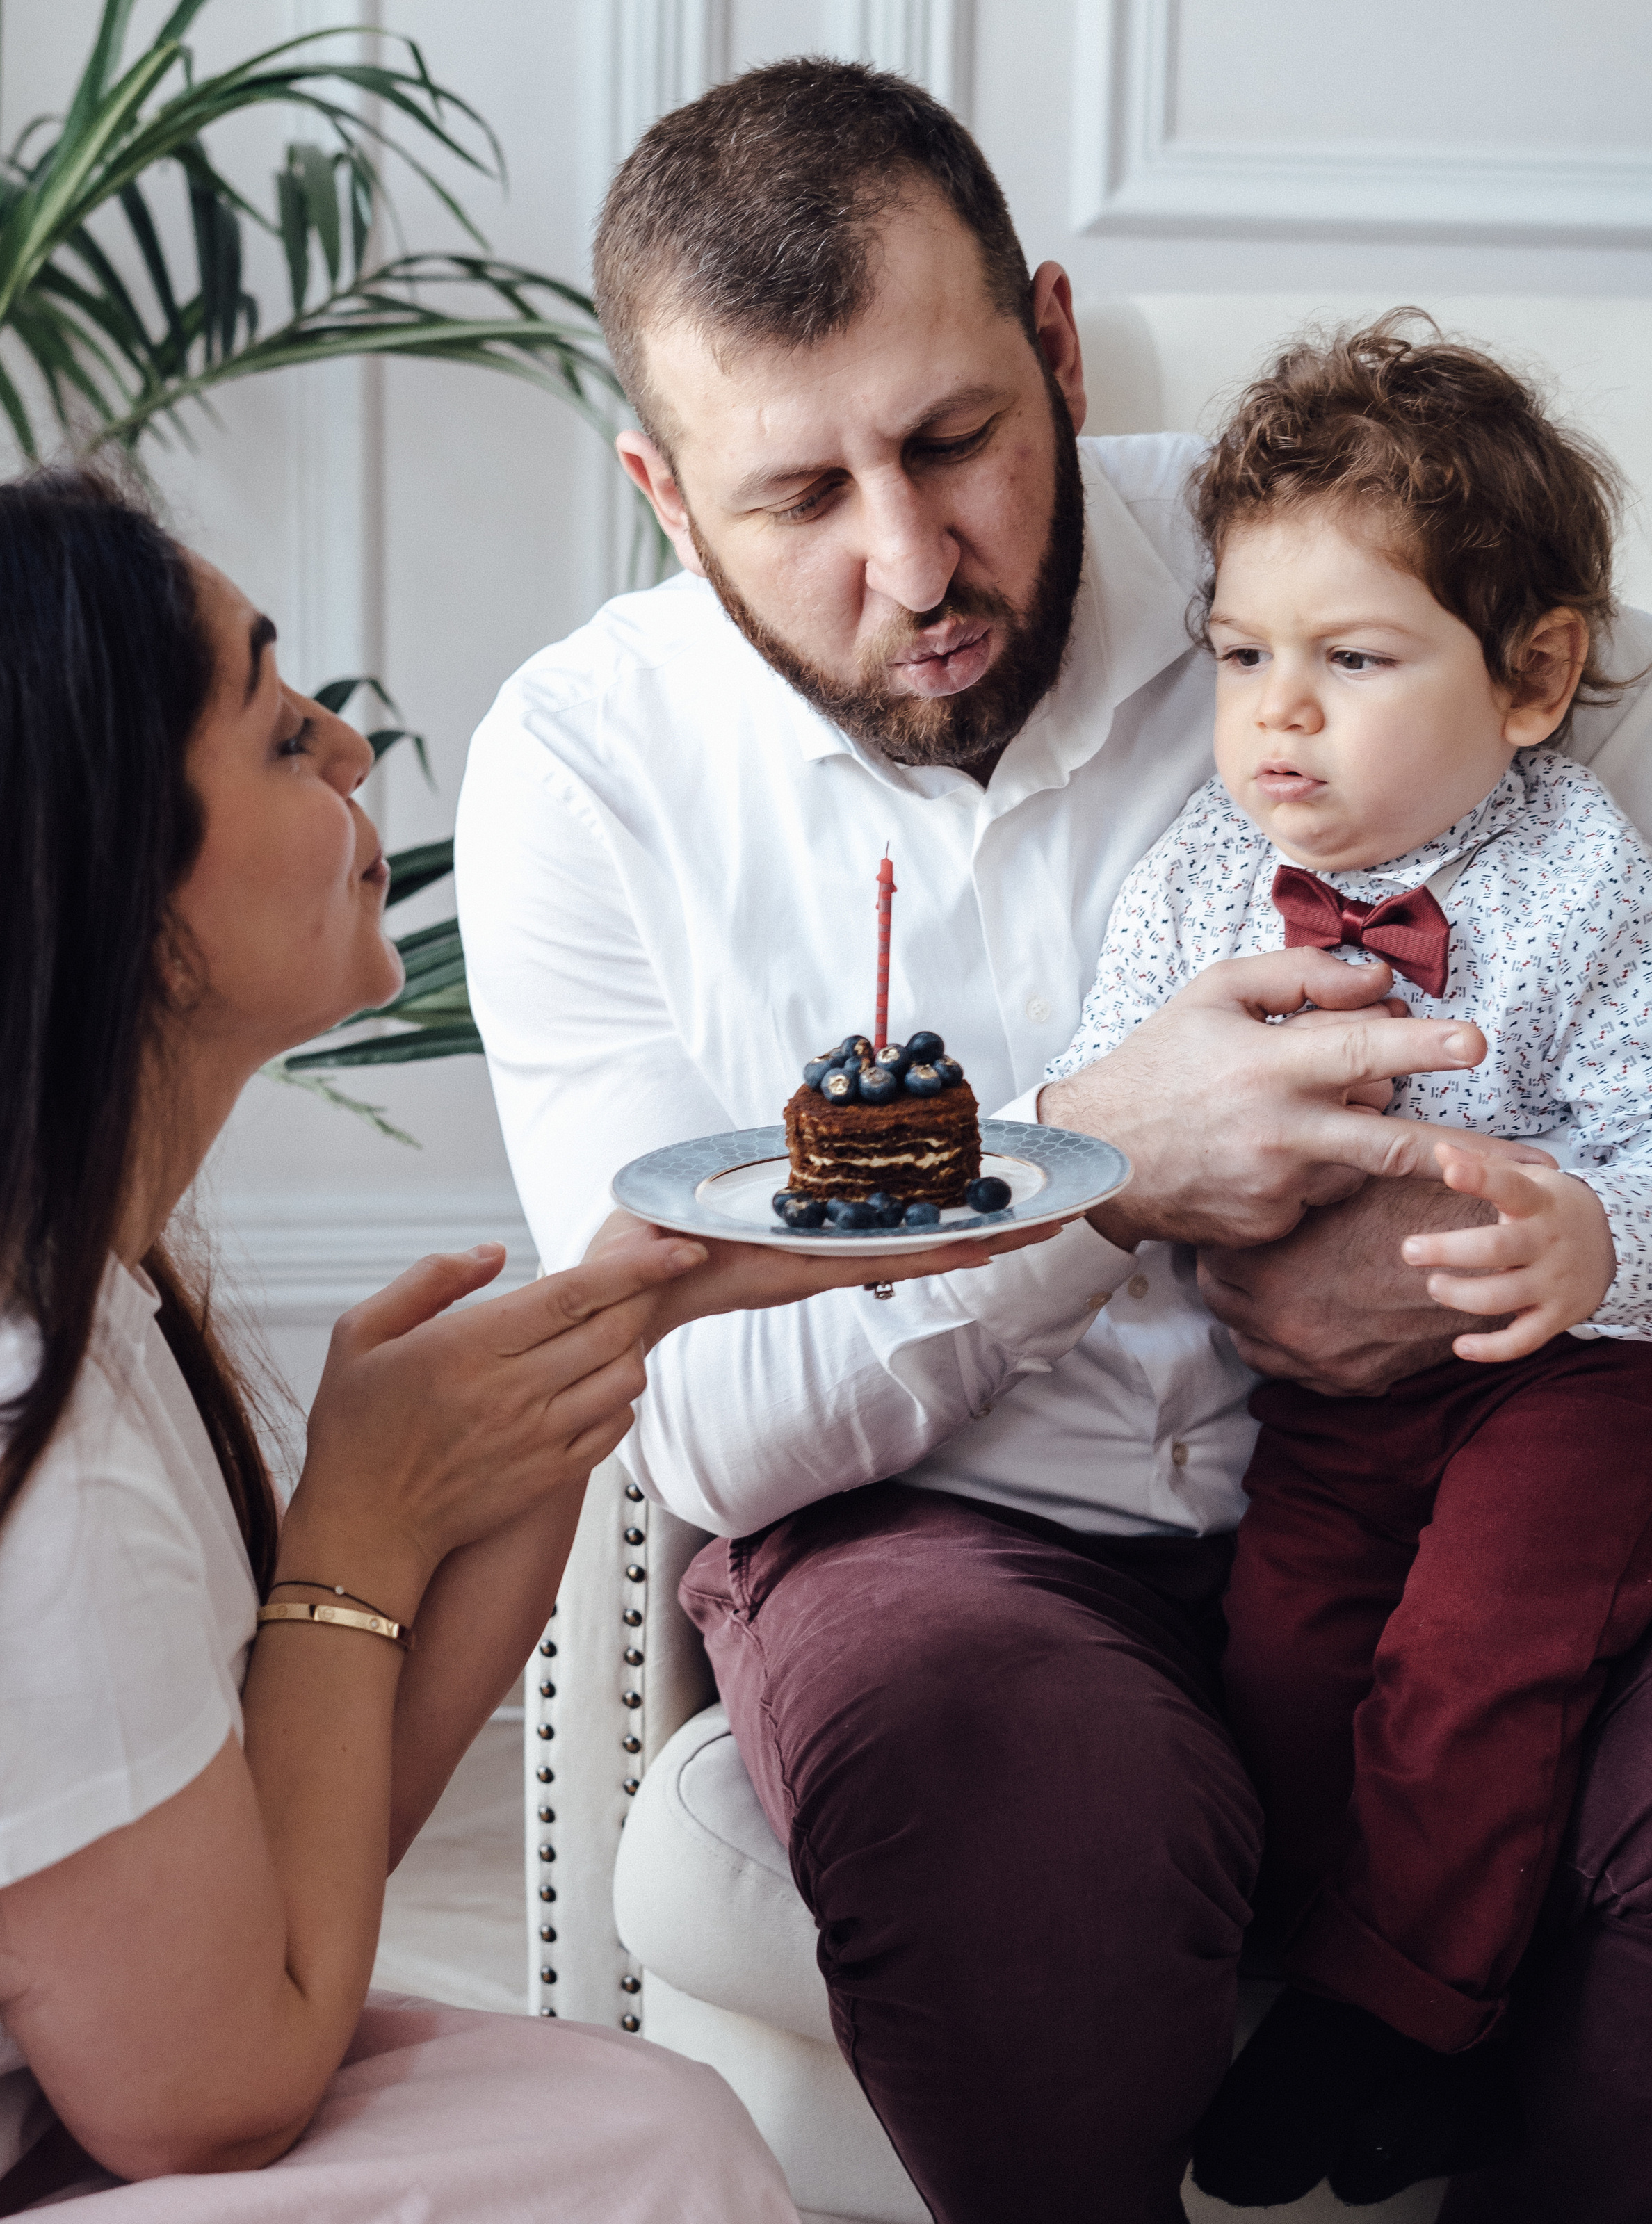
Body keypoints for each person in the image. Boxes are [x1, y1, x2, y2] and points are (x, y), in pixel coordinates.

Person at [457, 57, 1652, 2224]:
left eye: (955, 440)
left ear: (1061, 349)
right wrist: (1100, 1174)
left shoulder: (1328, 554)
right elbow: (707, 1421)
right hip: (954, 1537)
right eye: (797, 498)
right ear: (664, 496)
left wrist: (1536, 1250)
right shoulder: (586, 768)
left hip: (1471, 1454)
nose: (914, 562)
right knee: (990, 1774)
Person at [0, 468, 1037, 2224]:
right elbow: (211, 2097)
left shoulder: (73, 1300)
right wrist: (353, 1533)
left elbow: (281, 1899)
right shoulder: (8, 1431)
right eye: (279, 733)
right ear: (121, 899)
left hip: (72, 2108)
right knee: (647, 2155)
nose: (352, 749)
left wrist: (600, 1340)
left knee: (642, 2117)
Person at [1041, 319, 1652, 2208]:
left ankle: (1399, 2020)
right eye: (1242, 656)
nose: (1276, 716)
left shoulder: (1587, 877)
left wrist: (1594, 1234)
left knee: (1477, 1653)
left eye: (1353, 660)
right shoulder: (1192, 878)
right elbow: (1105, 1121)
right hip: (1321, 1404)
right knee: (1288, 1663)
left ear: (1532, 677)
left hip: (1564, 1385)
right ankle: (1365, 1972)